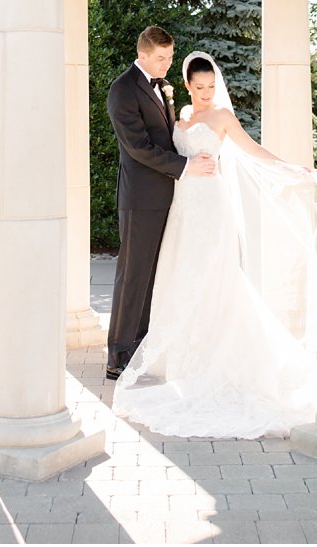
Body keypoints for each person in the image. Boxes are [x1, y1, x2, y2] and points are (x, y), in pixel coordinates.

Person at [112, 52, 317, 439]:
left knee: (215, 279)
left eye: (211, 87)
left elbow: (252, 150)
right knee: (178, 276)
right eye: (199, 88)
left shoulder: (222, 118)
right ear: (188, 85)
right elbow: (164, 153)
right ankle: (179, 358)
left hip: (212, 208)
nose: (207, 94)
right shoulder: (179, 113)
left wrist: (291, 169)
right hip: (182, 208)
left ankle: (217, 359)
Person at [104, 26, 217, 380]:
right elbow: (138, 146)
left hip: (169, 196)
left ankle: (139, 344)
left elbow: (167, 137)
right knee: (133, 274)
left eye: (169, 57)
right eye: (160, 58)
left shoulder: (162, 86)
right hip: (140, 198)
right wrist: (185, 166)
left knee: (154, 273)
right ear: (142, 55)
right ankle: (117, 354)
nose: (167, 65)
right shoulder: (122, 90)